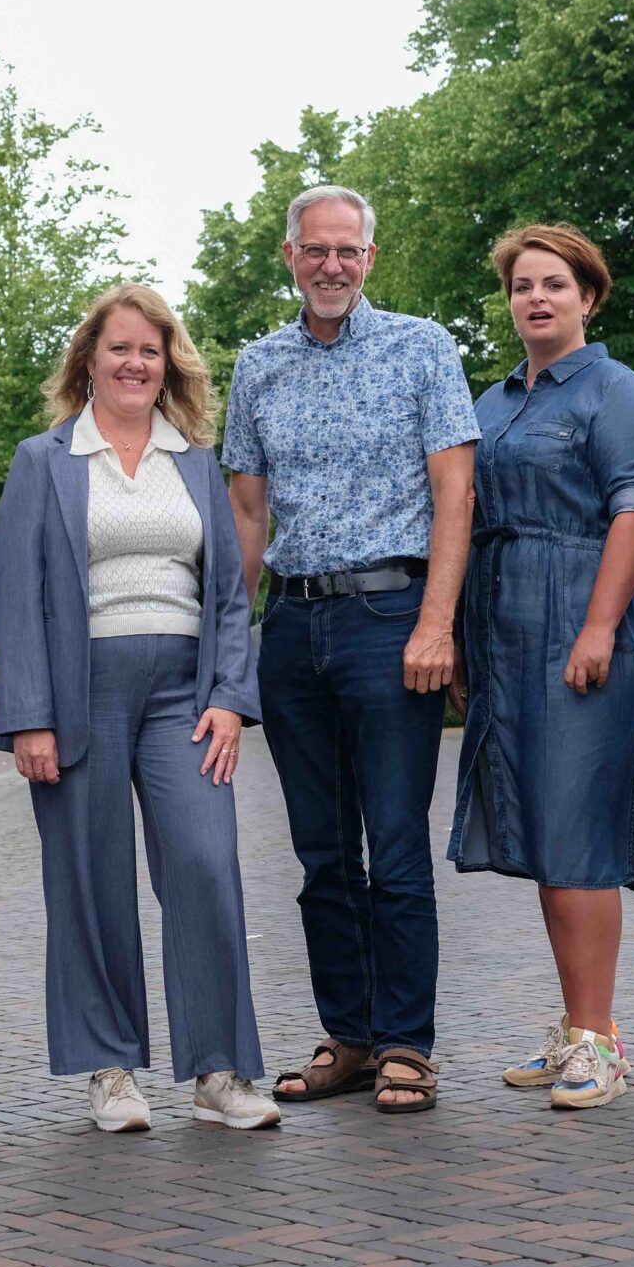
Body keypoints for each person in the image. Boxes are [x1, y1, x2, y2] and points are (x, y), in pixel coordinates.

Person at [0, 284, 279, 1133]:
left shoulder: (193, 460)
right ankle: (111, 1068)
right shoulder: (44, 460)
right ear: (89, 359)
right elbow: (19, 596)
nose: (134, 363)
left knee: (204, 863)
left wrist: (229, 698)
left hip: (184, 696)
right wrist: (29, 713)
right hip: (77, 691)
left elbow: (228, 593)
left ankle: (219, 1071)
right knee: (91, 878)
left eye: (150, 350)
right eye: (119, 348)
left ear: (168, 363)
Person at [223, 185, 480, 1113]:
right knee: (323, 854)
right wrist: (231, 644)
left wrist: (436, 623)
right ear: (291, 256)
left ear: (369, 258)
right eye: (315, 249)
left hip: (390, 618)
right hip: (293, 627)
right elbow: (247, 512)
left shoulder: (423, 348)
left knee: (397, 847)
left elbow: (455, 494)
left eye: (348, 250)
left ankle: (407, 1040)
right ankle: (352, 1036)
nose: (331, 265)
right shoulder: (258, 365)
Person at [450, 224, 634, 1110]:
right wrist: (459, 636)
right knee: (546, 831)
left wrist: (598, 627)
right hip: (505, 627)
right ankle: (575, 1024)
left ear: (588, 297)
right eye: (523, 285)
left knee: (578, 832)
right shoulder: (489, 402)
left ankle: (599, 1041)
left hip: (584, 621)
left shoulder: (615, 389)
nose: (537, 298)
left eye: (554, 284)